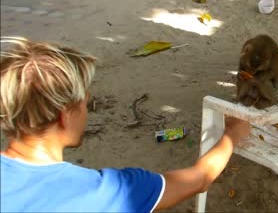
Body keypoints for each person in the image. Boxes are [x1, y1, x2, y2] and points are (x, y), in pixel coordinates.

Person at [0, 37, 251, 212]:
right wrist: (231, 134)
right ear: (65, 115)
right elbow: (199, 179)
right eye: (86, 102)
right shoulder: (107, 192)